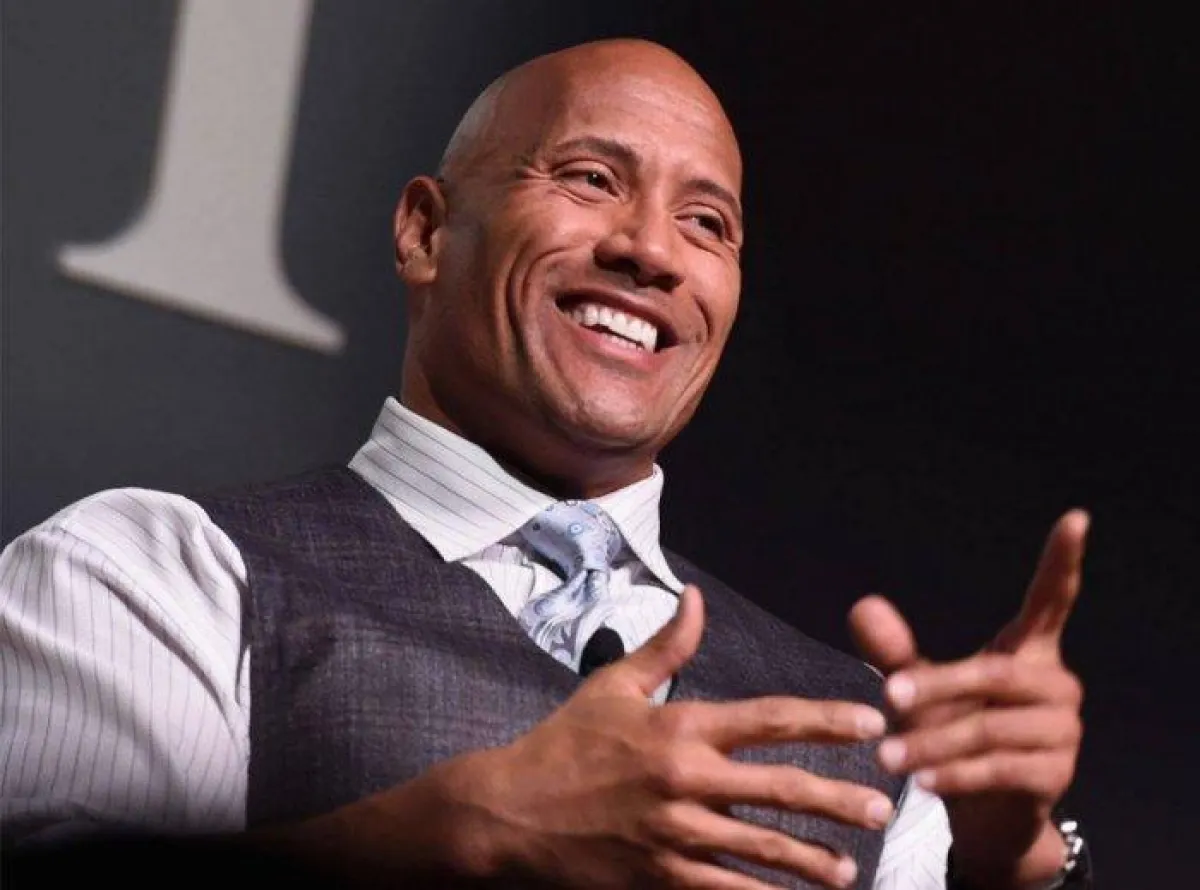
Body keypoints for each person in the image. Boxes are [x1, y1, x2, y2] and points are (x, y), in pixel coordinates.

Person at [0, 39, 1090, 889]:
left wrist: (1008, 863)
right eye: (590, 177)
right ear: (426, 232)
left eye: (706, 222)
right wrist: (437, 841)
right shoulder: (161, 576)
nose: (652, 251)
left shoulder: (869, 737)